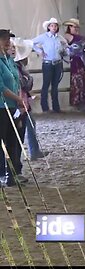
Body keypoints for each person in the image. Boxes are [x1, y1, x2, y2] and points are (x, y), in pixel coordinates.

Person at [12, 37, 49, 163]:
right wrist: (29, 79)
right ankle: (29, 154)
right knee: (20, 129)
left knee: (30, 123)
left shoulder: (17, 67)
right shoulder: (17, 68)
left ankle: (34, 151)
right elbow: (24, 84)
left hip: (23, 101)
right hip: (19, 102)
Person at [0, 29, 25, 187]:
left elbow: (16, 82)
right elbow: (1, 87)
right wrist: (18, 99)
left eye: (8, 38)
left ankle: (11, 175)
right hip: (1, 107)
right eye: (3, 39)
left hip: (12, 107)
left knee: (12, 141)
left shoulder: (9, 60)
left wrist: (19, 102)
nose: (7, 41)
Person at [32, 17, 68, 113]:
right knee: (46, 85)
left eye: (55, 26)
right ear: (48, 27)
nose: (54, 27)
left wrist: (64, 51)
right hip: (48, 63)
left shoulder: (60, 38)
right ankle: (45, 107)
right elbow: (32, 43)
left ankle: (56, 107)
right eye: (52, 26)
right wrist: (40, 51)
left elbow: (66, 46)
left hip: (57, 63)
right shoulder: (43, 37)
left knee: (55, 85)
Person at [63, 18, 85, 112]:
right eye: (73, 26)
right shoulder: (68, 36)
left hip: (83, 60)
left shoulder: (79, 37)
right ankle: (78, 102)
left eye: (76, 27)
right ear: (69, 27)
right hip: (76, 60)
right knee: (77, 81)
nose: (75, 28)